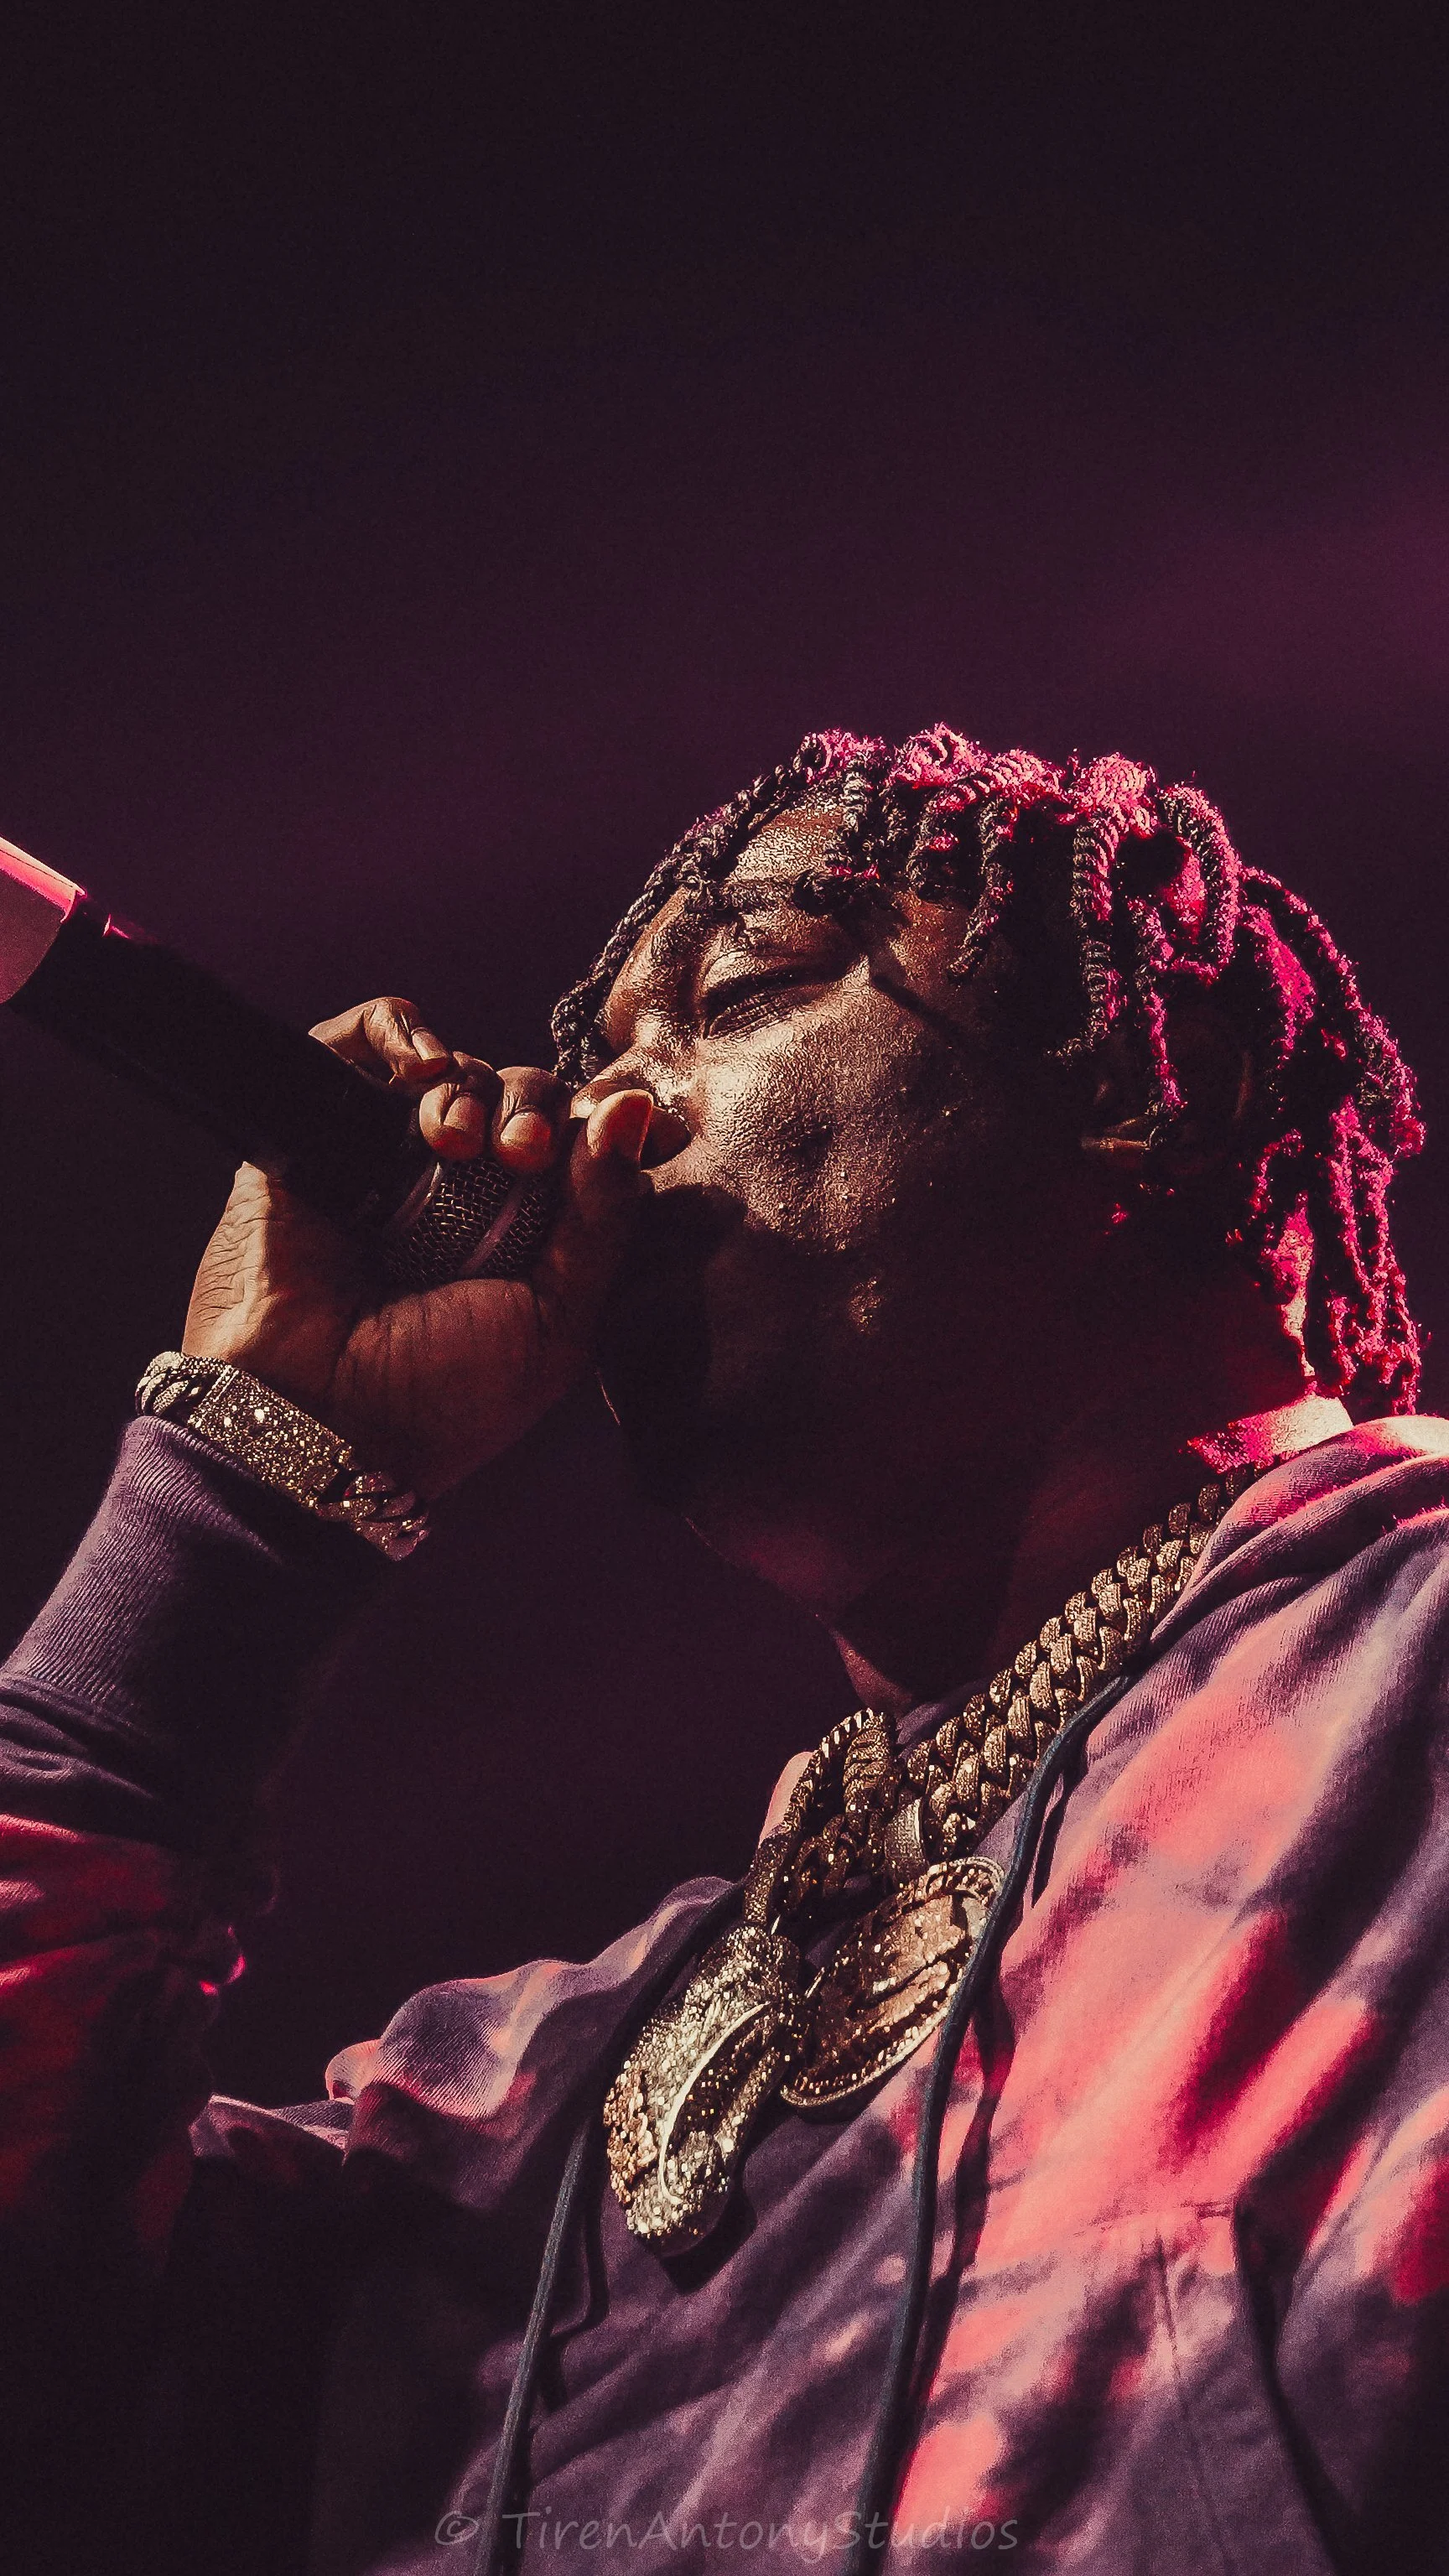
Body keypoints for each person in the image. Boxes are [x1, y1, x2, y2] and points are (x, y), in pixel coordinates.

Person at [2, 727, 1446, 2576]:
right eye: (599, 1050)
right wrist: (235, 1511)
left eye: (744, 989)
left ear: (1163, 1091)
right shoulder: (509, 2117)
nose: (595, 1113)